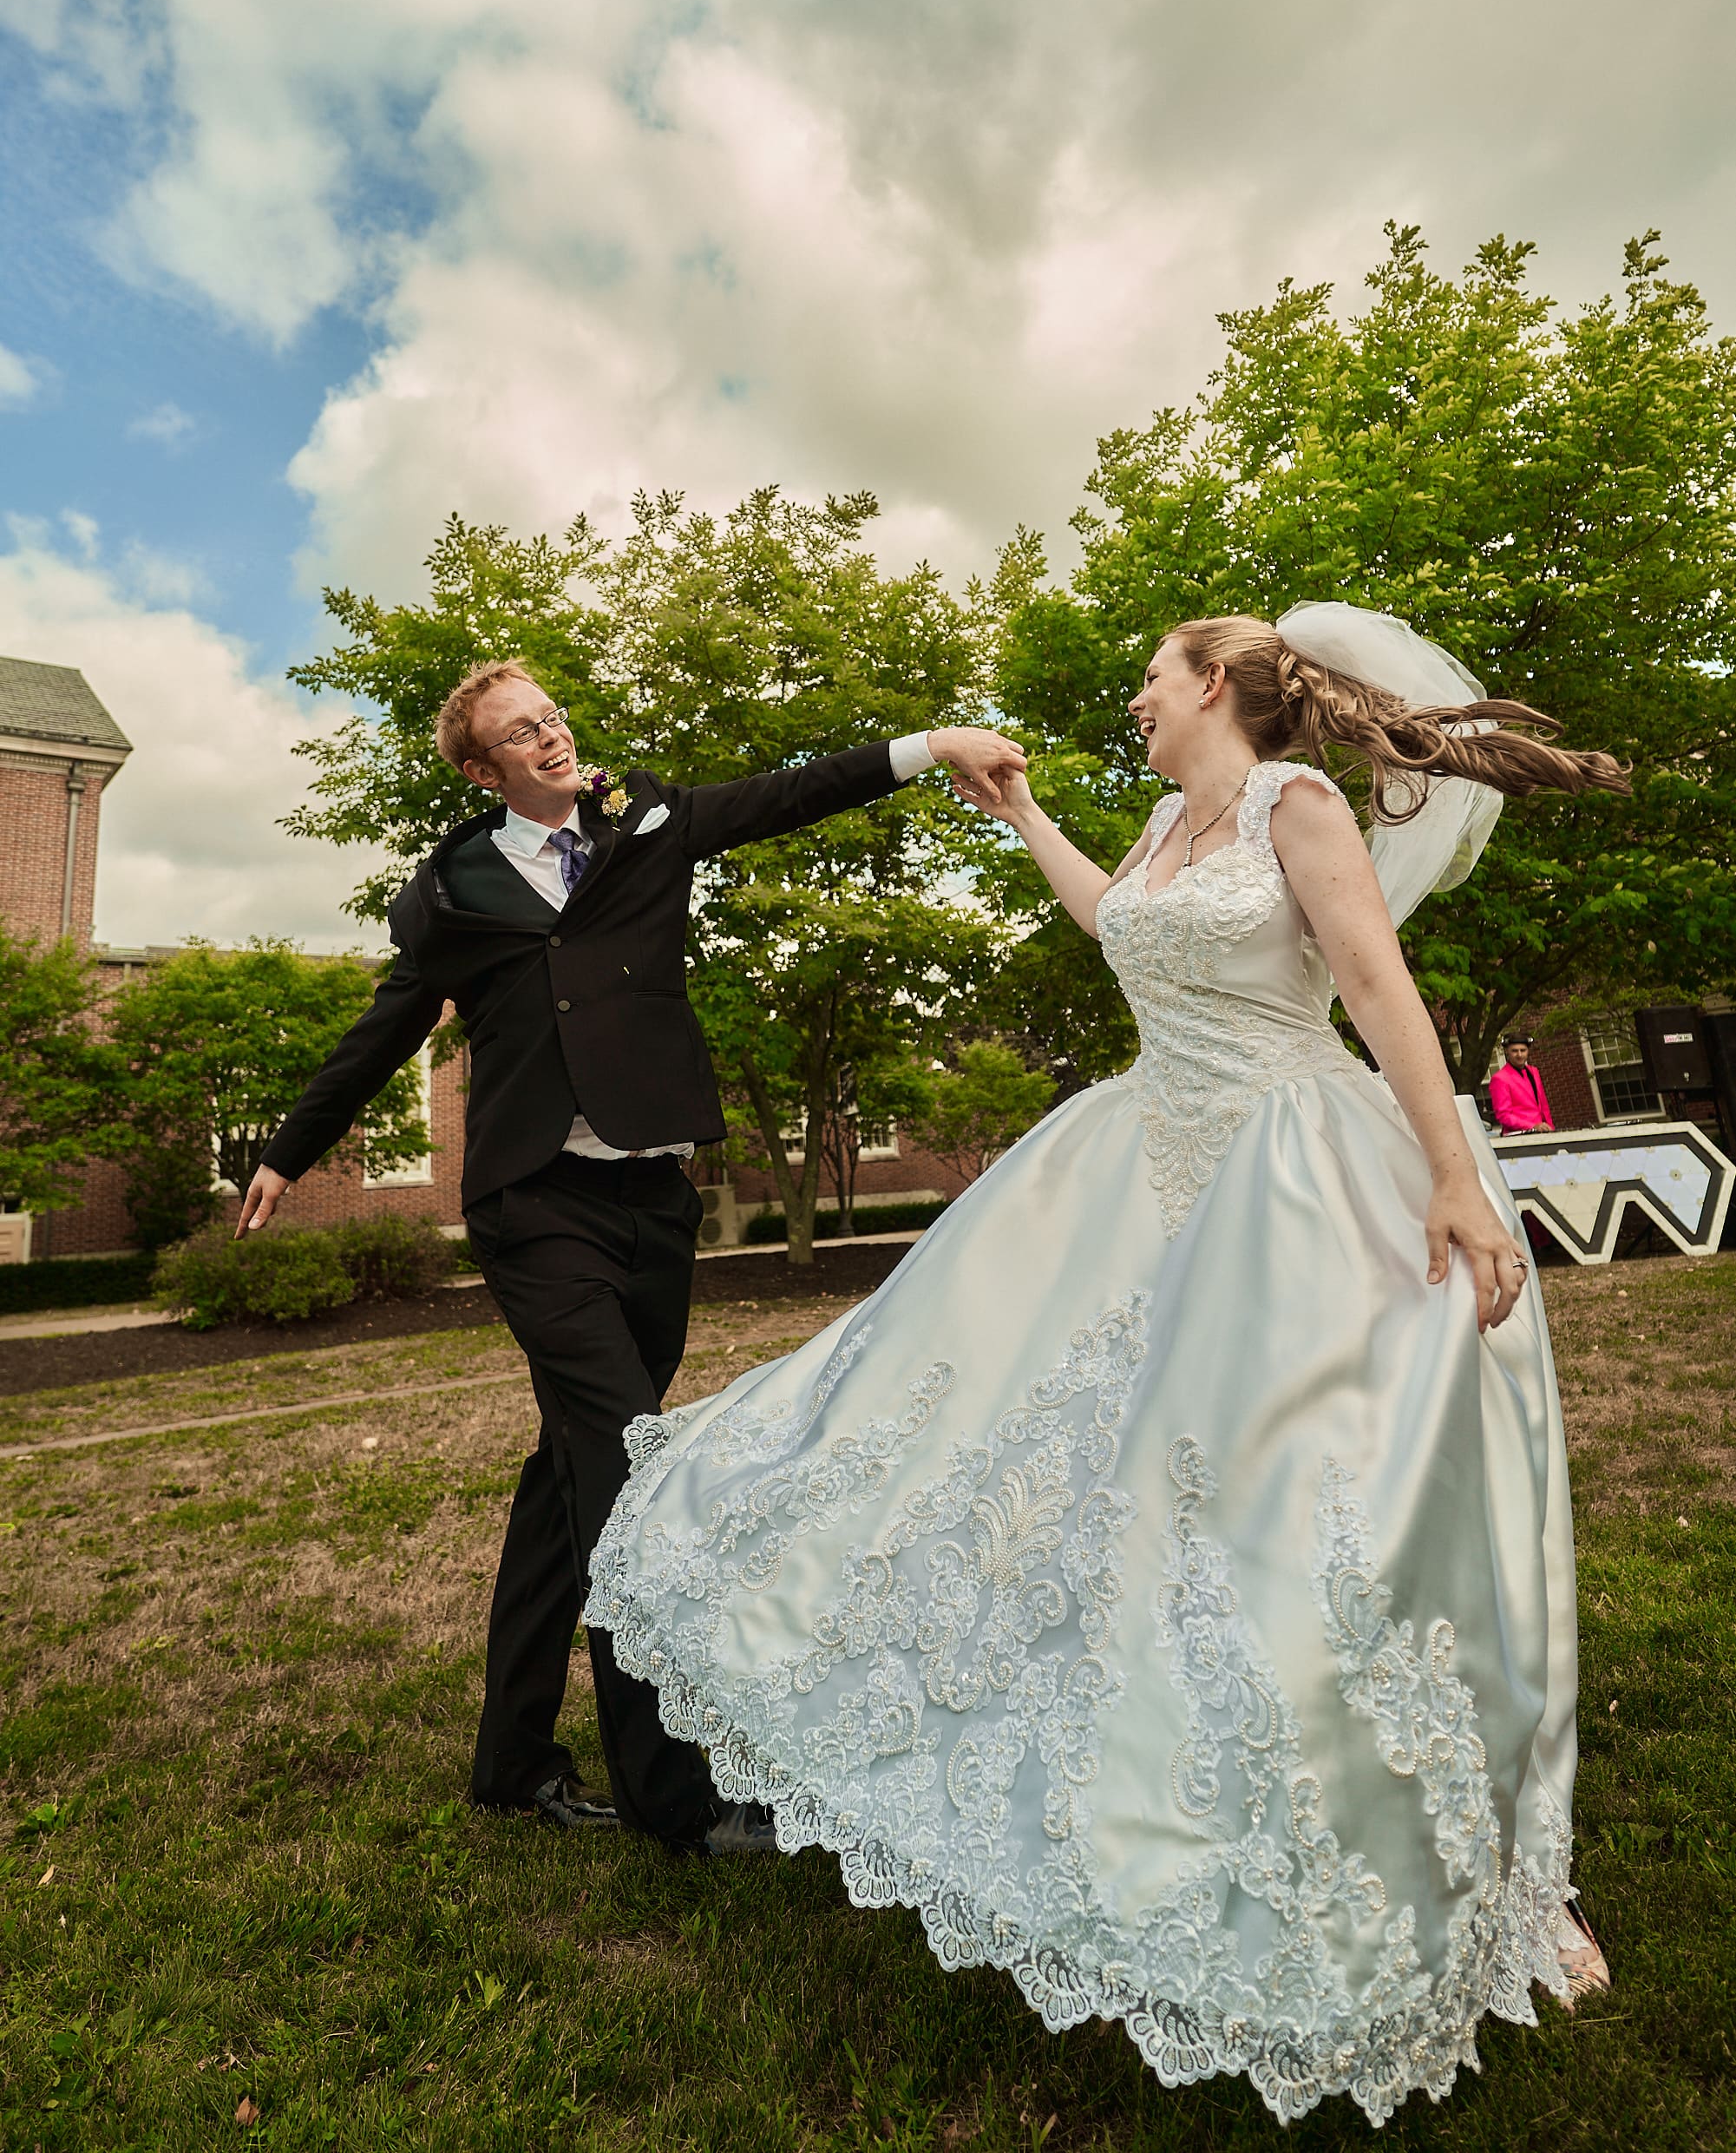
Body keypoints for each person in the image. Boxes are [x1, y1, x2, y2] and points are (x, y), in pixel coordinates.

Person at [585, 604, 1625, 2126]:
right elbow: (1113, 926)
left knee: (1319, 1528)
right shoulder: (1164, 817)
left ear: (1213, 683)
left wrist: (1453, 1174)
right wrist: (1021, 818)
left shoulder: (1300, 803)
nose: (1134, 701)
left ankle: (1496, 1878)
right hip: (1141, 1171)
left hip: (1289, 1185)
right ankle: (1142, 1794)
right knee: (1071, 1485)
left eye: (1150, 678)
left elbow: (1379, 987)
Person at [233, 660, 1025, 1855]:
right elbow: (385, 1025)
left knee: (569, 1485)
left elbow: (784, 794)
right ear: (478, 766)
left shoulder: (648, 821)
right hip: (531, 1205)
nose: (549, 737)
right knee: (630, 1481)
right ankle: (675, 1804)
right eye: (519, 731)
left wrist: (930, 743)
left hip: (649, 1201)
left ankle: (510, 1765)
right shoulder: (452, 892)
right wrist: (288, 1153)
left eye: (552, 717)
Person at [1490, 1036, 1556, 1132]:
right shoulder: (1500, 1079)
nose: (1519, 1055)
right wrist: (1533, 1126)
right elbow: (1503, 1115)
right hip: (1519, 1136)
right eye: (1514, 1051)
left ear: (1528, 1051)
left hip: (1542, 1132)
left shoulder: (1534, 1072)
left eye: (1523, 1050)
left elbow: (1543, 1106)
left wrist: (1551, 1128)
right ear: (1507, 1052)